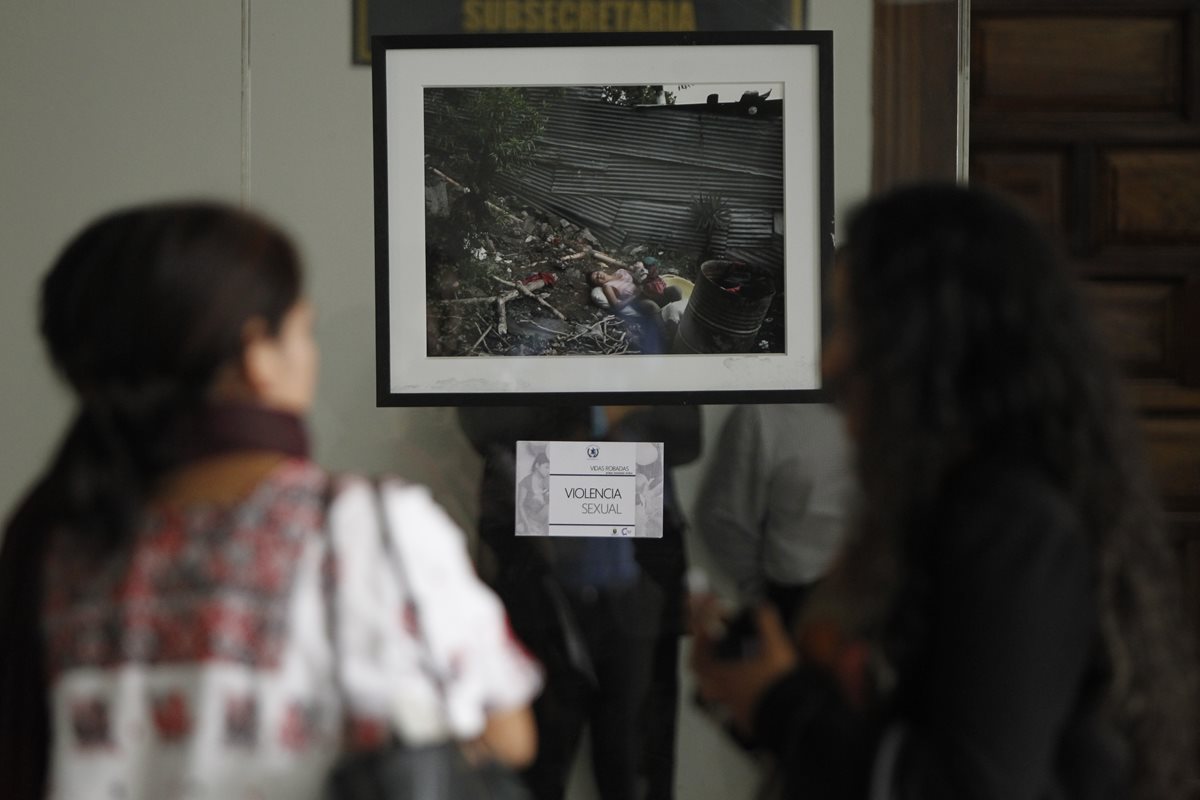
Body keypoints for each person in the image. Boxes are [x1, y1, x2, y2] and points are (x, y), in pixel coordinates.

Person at [0, 201, 542, 800]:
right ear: (259, 355)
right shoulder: (361, 530)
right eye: (303, 331)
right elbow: (507, 733)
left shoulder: (52, 543)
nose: (312, 353)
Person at [690, 183, 1195, 799]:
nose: (831, 361)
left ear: (931, 343)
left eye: (856, 325)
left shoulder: (1009, 520)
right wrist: (753, 691)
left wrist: (777, 702)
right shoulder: (926, 507)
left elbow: (970, 786)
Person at [458, 404, 701, 800]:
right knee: (533, 770)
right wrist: (601, 414)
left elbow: (689, 437)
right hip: (540, 591)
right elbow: (482, 422)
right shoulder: (519, 341)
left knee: (636, 769)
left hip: (638, 591)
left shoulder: (655, 340)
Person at [693, 403, 855, 628]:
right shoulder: (765, 414)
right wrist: (760, 601)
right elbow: (724, 520)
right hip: (793, 595)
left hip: (883, 589)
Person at [516, 449, 551, 535]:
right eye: (546, 467)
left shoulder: (546, 481)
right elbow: (520, 505)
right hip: (530, 520)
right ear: (537, 465)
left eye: (550, 468)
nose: (548, 471)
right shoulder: (525, 482)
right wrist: (527, 526)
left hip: (544, 521)